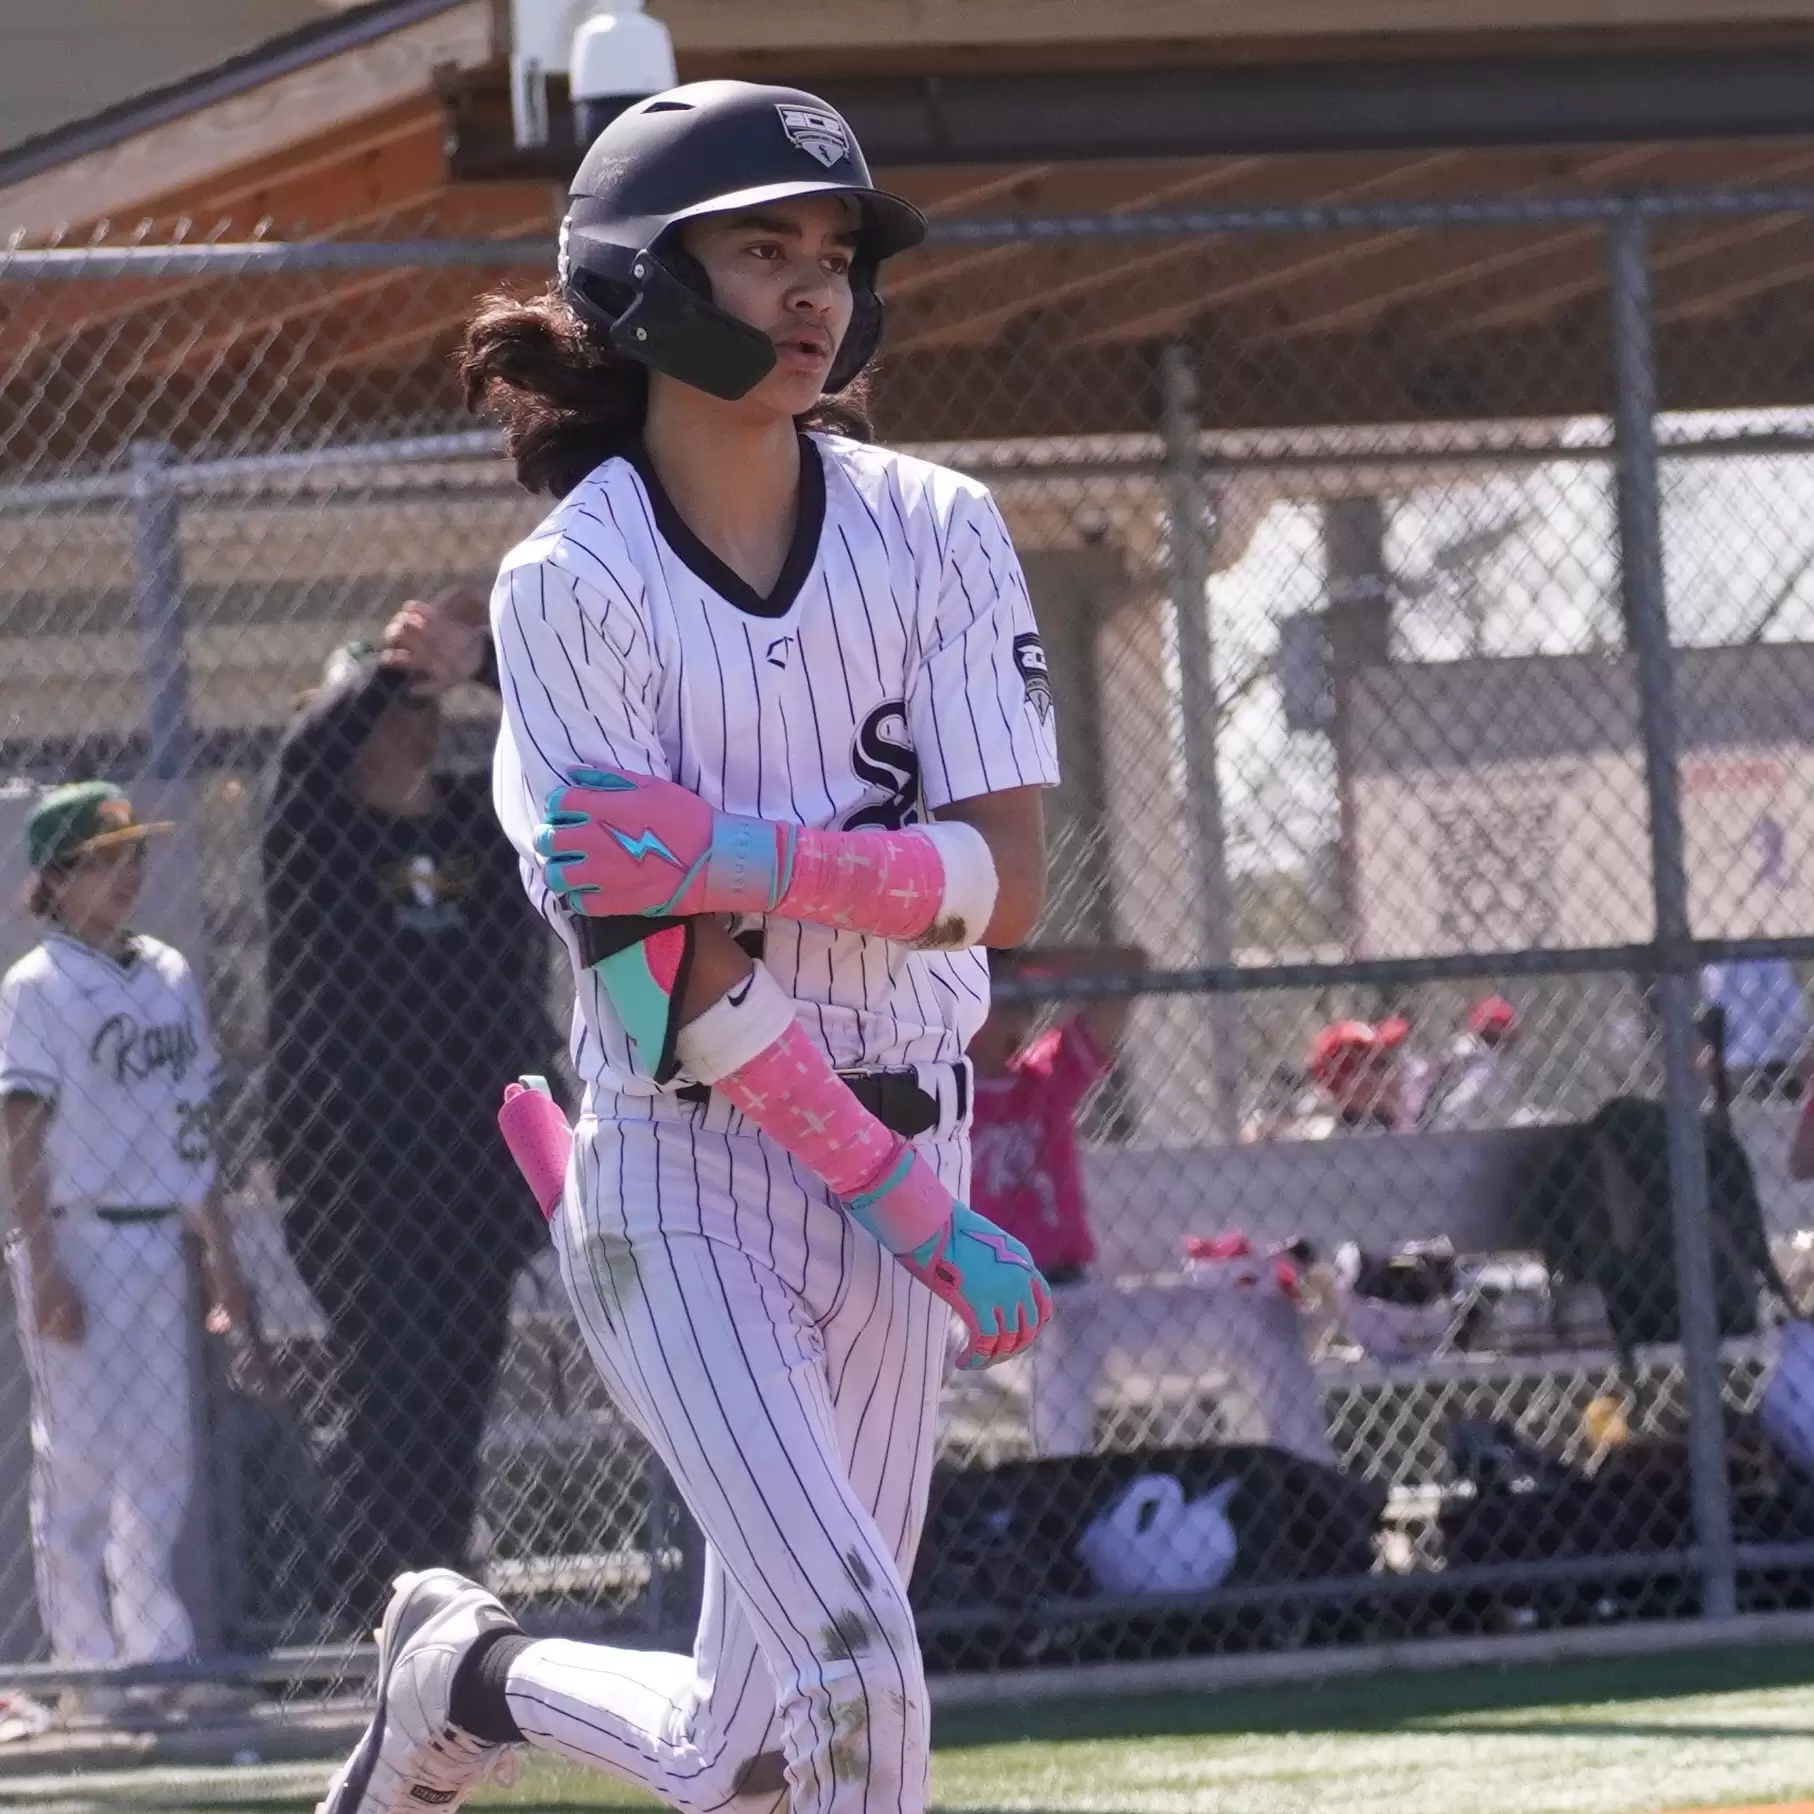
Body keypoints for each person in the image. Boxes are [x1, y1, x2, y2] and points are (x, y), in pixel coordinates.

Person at [314, 80, 1056, 1814]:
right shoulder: (571, 581)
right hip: (688, 1173)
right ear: (644, 279)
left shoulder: (937, 525)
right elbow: (661, 974)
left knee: (751, 1748)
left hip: (913, 1139)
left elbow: (1006, 881)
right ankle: (454, 1673)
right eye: (760, 248)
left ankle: (459, 1673)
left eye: (833, 256)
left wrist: (741, 855)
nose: (812, 289)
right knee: (859, 1662)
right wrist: (906, 1202)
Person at [261, 591, 556, 1623]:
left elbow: (566, 730)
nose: (405, 730)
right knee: (390, 1378)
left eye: (420, 711)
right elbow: (304, 758)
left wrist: (470, 661)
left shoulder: (483, 819)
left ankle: (448, 1600)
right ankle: (383, 1603)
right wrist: (388, 668)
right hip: (354, 1169)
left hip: (474, 1165)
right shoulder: (318, 836)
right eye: (387, 712)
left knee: (462, 1380)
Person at [1, 783, 258, 1718]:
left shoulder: (170, 975)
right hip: (76, 1232)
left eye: (134, 856)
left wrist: (221, 1257)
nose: (127, 875)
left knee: (160, 1461)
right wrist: (43, 1267)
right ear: (56, 878)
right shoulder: (36, 986)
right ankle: (88, 1668)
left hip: (158, 1237)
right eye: (103, 861)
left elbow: (193, 1131)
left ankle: (158, 1658)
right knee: (79, 1462)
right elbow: (20, 1134)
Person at [968, 944, 1145, 1455]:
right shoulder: (928, 1093)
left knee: (1065, 1339)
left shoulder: (1046, 1078)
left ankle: (1059, 1490)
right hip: (976, 1304)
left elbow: (1127, 966)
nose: (999, 1000)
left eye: (1006, 995)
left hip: (1068, 1293)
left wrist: (1013, 958)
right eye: (982, 988)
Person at [1702, 958, 1808, 1103]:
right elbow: (1795, 1018)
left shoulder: (1714, 968)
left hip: (1733, 1069)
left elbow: (1713, 1022)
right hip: (1777, 1063)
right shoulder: (1775, 962)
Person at [1305, 1016, 1414, 1132]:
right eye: (1382, 1063)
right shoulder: (1356, 1137)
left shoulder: (1401, 1127)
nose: (1395, 1070)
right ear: (1350, 1083)